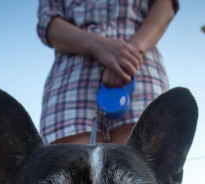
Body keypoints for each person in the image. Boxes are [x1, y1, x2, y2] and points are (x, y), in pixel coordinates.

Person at [37, 0, 178, 145]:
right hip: (73, 74)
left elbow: (165, 6)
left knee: (142, 158)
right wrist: (99, 45)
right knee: (69, 160)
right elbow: (48, 24)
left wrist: (127, 56)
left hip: (139, 65)